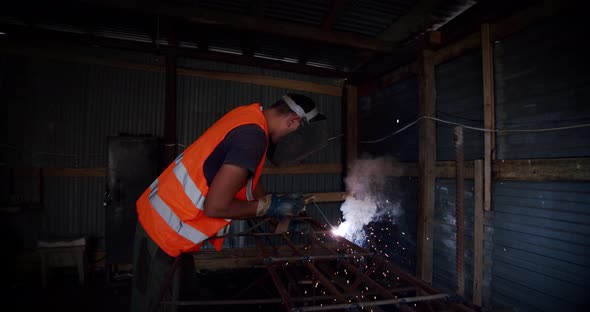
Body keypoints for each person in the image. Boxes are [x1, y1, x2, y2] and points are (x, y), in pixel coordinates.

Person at [130, 94, 326, 312]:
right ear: (293, 122)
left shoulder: (249, 115)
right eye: (296, 131)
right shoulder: (253, 138)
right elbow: (215, 207)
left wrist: (275, 211)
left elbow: (247, 182)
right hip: (162, 230)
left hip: (167, 222)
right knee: (151, 305)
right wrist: (271, 207)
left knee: (178, 294)